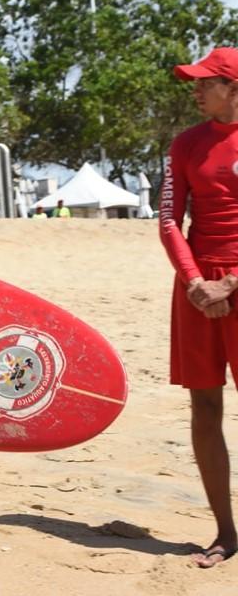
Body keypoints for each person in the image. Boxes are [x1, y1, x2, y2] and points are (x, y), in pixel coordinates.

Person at [160, 46, 238, 569]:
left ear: (234, 88)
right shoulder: (185, 143)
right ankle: (226, 533)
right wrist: (195, 282)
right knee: (204, 409)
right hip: (196, 287)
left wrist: (231, 281)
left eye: (206, 81)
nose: (195, 88)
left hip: (235, 277)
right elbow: (169, 219)